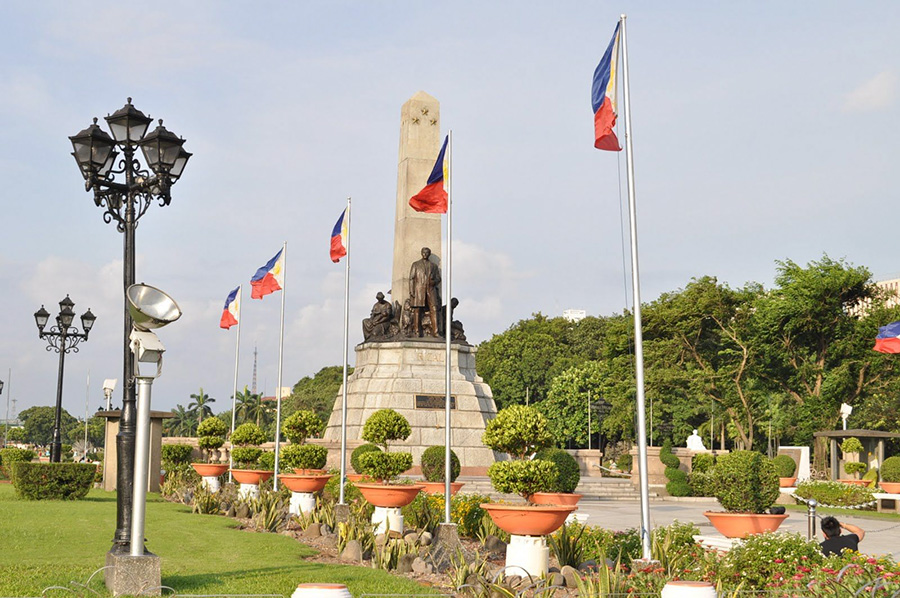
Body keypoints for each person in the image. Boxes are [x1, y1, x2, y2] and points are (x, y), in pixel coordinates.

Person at [408, 247, 441, 337]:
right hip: (419, 290)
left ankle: (436, 332)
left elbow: (438, 278)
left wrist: (434, 282)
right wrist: (411, 291)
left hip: (431, 290)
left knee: (434, 309)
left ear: (429, 254)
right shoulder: (415, 264)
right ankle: (417, 331)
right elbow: (411, 278)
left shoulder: (434, 266)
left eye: (427, 252)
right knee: (417, 310)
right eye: (424, 252)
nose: (425, 254)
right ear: (421, 253)